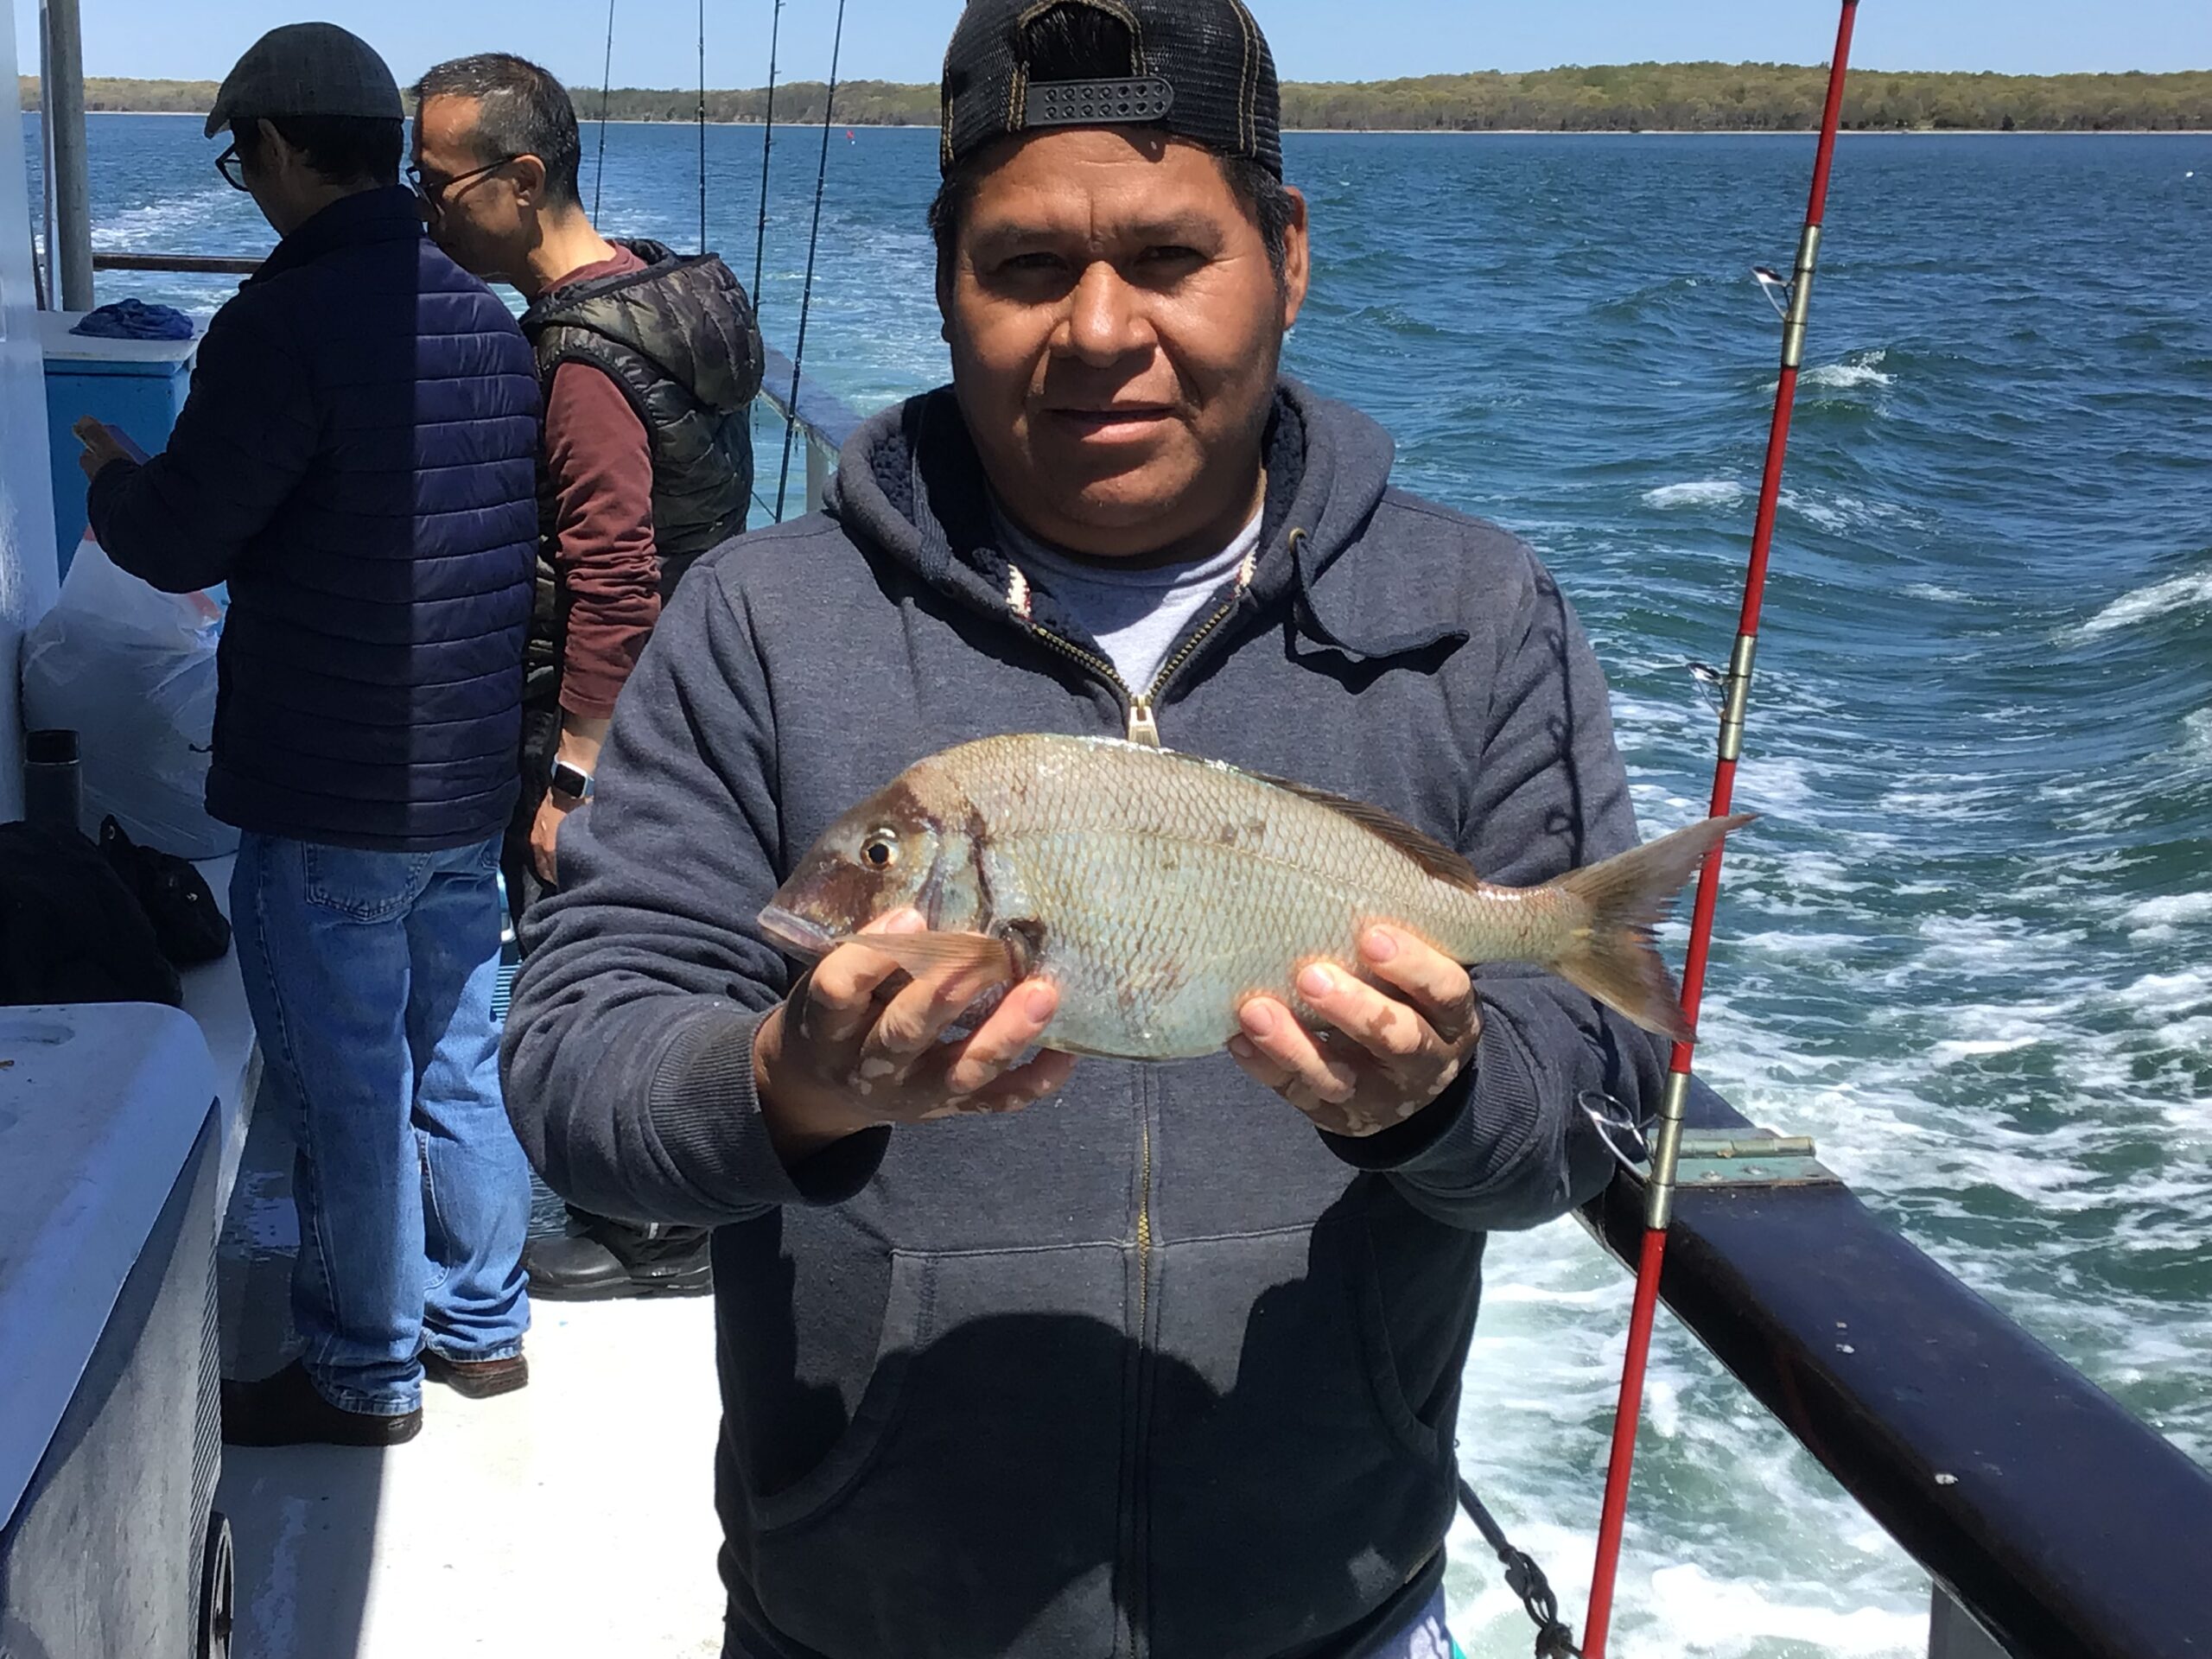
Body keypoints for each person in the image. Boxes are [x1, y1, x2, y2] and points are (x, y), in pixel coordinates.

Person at [503, 1, 1657, 1652]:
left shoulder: (1474, 613)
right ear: (946, 278)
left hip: (1331, 1608)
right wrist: (787, 1086)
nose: (1100, 330)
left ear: (1287, 256)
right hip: (869, 1615)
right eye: (1028, 266)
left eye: (1170, 258)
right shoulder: (759, 621)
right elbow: (575, 1062)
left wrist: (1442, 1099)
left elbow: (1589, 1111)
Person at [81, 22, 540, 1446]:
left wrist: (113, 481)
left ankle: (362, 1371)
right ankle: (483, 1325)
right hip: (465, 774)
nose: (250, 184)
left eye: (244, 161)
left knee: (349, 1087)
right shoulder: (482, 316)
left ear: (277, 148)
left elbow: (182, 540)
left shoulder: (279, 326)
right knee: (455, 1055)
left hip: (331, 785)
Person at [410, 52, 765, 1300]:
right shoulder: (657, 292)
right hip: (691, 688)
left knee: (584, 956)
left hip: (613, 717)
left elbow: (612, 571)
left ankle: (648, 1229)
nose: (424, 206)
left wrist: (572, 774)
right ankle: (662, 1207)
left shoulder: (579, 362)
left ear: (521, 180)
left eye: (438, 182)